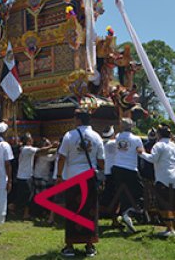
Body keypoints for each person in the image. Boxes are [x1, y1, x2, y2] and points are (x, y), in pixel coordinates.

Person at [57, 108, 104, 258]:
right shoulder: (96, 137)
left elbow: (62, 157)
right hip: (89, 177)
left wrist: (59, 175)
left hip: (72, 177)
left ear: (78, 119)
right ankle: (89, 246)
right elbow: (101, 161)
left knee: (72, 210)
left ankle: (70, 246)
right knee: (90, 210)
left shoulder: (69, 136)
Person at [140, 124, 175, 237]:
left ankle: (169, 228)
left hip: (163, 177)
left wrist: (141, 153)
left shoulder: (158, 145)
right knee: (173, 204)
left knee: (163, 204)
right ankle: (174, 228)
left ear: (159, 134)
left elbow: (153, 159)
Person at [112, 118, 145, 233]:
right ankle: (132, 211)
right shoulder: (136, 139)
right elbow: (141, 152)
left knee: (123, 193)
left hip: (117, 168)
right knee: (139, 191)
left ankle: (126, 214)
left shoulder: (116, 137)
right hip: (131, 168)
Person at [99, 126, 119, 222]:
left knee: (108, 194)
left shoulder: (101, 144)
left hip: (106, 172)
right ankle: (114, 217)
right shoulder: (114, 143)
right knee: (115, 195)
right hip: (114, 172)